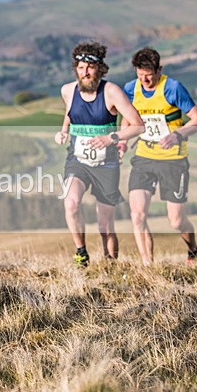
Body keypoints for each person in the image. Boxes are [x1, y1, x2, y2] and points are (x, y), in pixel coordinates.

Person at [54, 41, 143, 266]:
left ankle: (110, 266)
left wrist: (110, 138)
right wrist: (64, 131)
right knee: (71, 203)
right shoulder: (67, 90)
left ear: (100, 69)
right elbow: (69, 112)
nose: (85, 72)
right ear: (76, 69)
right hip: (77, 161)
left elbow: (138, 126)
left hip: (106, 164)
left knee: (105, 225)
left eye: (90, 68)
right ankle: (81, 253)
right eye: (81, 67)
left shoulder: (111, 92)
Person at [122, 47, 197, 265]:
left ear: (159, 69)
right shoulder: (131, 89)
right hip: (144, 158)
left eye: (149, 75)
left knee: (176, 221)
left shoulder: (173, 88)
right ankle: (148, 266)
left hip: (173, 160)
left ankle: (194, 250)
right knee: (137, 214)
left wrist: (177, 135)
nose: (145, 80)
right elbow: (127, 117)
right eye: (140, 75)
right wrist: (123, 140)